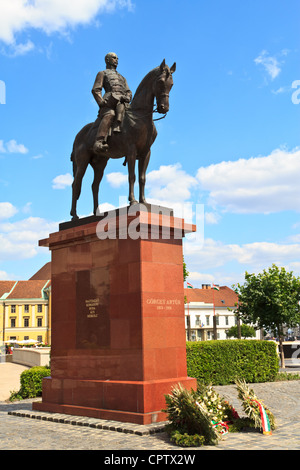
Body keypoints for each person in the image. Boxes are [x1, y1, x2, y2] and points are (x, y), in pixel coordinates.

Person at [92, 52, 132, 153]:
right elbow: (96, 90)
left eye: (117, 58)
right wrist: (101, 102)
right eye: (114, 58)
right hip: (110, 101)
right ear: (107, 60)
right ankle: (99, 141)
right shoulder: (102, 73)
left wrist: (128, 97)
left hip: (122, 102)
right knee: (110, 114)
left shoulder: (122, 78)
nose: (116, 60)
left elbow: (128, 91)